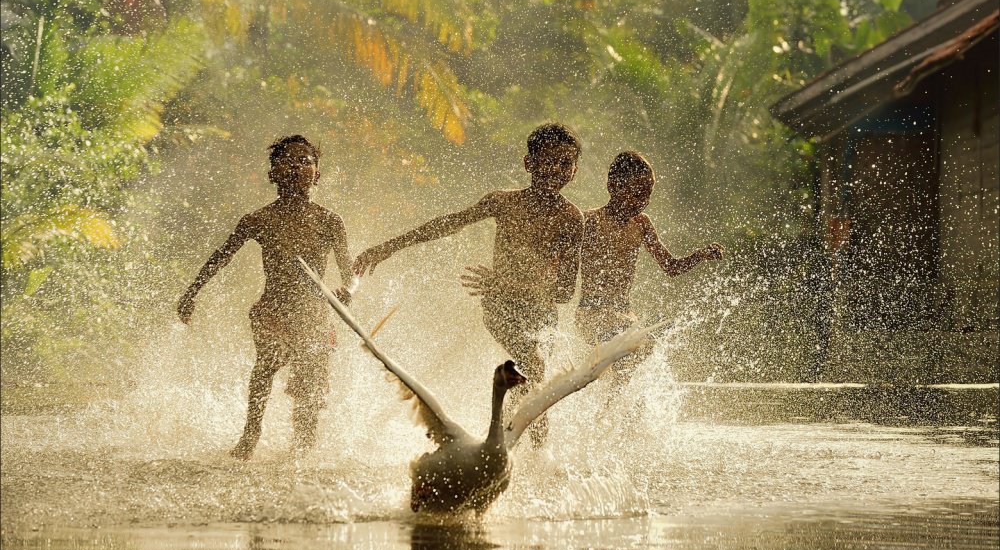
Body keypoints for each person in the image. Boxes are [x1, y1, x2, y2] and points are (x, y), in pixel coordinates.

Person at [354, 123, 585, 447]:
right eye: (547, 161)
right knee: (533, 367)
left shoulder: (572, 219)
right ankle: (516, 447)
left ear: (575, 170)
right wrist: (390, 247)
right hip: (499, 305)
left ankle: (521, 450)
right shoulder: (503, 202)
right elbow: (449, 224)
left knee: (532, 379)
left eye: (565, 163)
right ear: (528, 163)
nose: (556, 170)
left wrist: (505, 283)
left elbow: (563, 292)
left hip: (540, 314)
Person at [177, 135, 354, 459]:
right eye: (287, 161)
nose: (295, 167)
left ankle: (302, 447)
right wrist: (192, 292)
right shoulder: (258, 220)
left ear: (317, 174)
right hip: (272, 310)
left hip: (314, 315)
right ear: (272, 174)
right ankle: (250, 434)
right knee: (267, 365)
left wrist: (347, 292)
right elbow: (221, 256)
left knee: (310, 385)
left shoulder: (330, 221)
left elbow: (350, 274)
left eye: (304, 161)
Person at [576, 151, 723, 388]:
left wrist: (700, 255)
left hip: (623, 313)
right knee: (630, 347)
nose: (642, 201)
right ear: (613, 186)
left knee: (641, 351)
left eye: (648, 194)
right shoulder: (589, 221)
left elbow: (670, 266)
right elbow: (562, 259)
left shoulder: (641, 224)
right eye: (637, 193)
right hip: (591, 313)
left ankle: (612, 407)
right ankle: (607, 401)